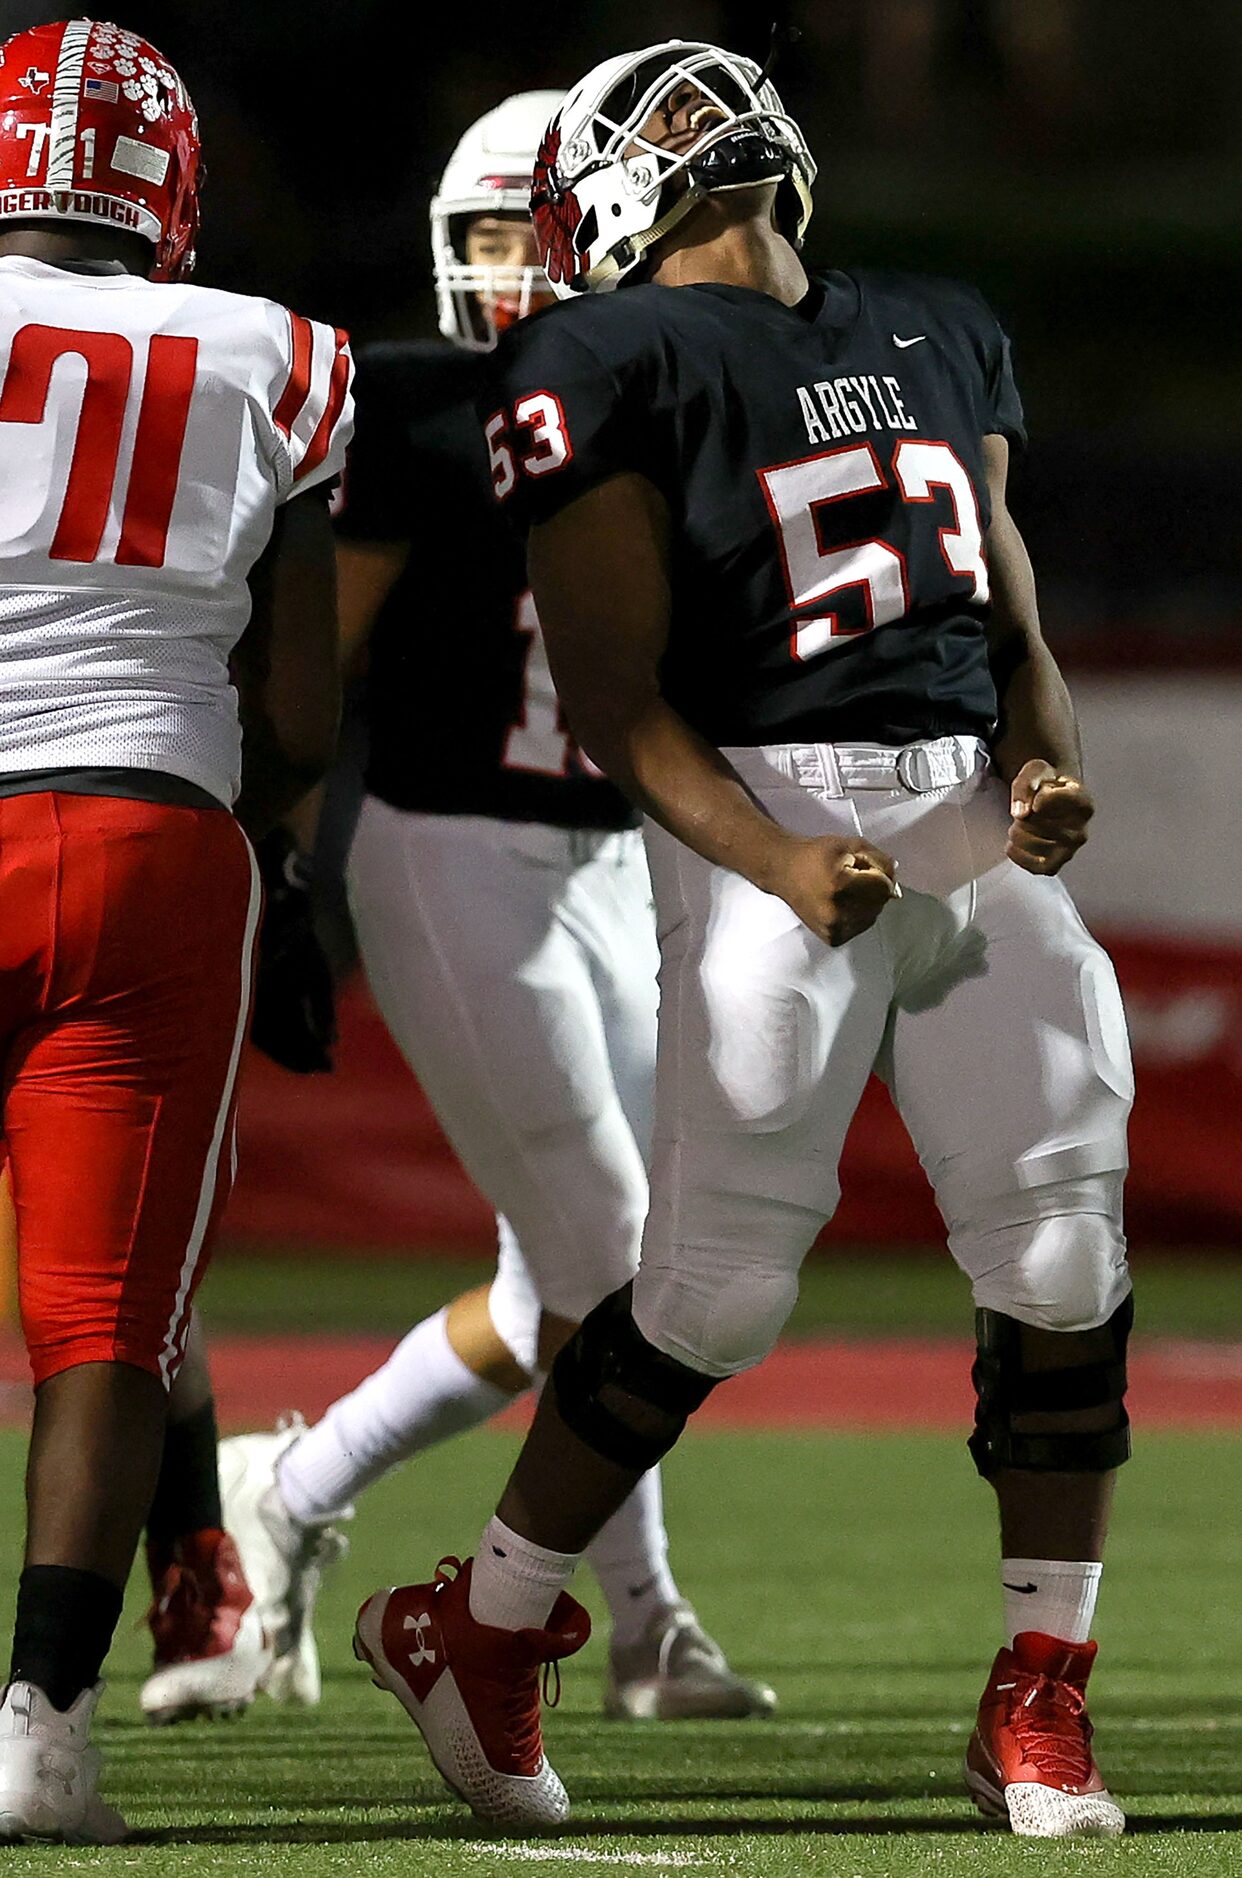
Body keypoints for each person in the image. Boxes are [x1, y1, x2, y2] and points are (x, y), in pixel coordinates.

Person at [353, 39, 1136, 1840]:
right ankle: (478, 1625)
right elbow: (624, 706)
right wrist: (784, 863)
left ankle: (1040, 1698)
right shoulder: (596, 357)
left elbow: (1012, 615)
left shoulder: (939, 322)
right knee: (714, 1285)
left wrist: (1047, 775)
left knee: (1063, 1249)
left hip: (959, 817)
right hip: (763, 811)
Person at [219, 90, 772, 1726]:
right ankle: (651, 1627)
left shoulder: (667, 393)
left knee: (575, 1277)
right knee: (618, 1261)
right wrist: (283, 856)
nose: (512, 269)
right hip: (458, 854)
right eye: (482, 237)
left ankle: (295, 1484)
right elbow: (334, 643)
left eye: (539, 231)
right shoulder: (425, 404)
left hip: (617, 859)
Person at [0, 17, 348, 1840]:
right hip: (147, 833)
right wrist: (270, 852)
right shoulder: (283, 355)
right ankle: (43, 1722)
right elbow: (298, 707)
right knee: (100, 1328)